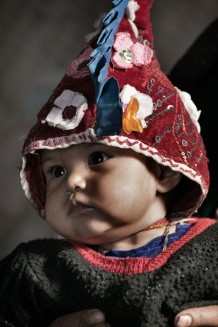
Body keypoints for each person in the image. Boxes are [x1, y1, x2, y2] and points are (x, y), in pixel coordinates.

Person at [0, 0, 218, 326]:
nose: (72, 182)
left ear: (164, 170)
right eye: (56, 171)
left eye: (98, 158)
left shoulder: (212, 249)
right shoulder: (35, 270)